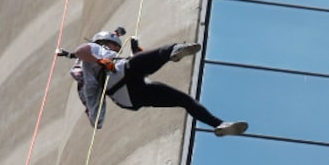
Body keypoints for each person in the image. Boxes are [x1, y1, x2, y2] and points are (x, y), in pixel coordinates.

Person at [57, 29, 247, 136]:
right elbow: (82, 50)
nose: (115, 47)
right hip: (119, 77)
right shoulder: (95, 50)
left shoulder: (112, 55)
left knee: (183, 100)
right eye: (113, 43)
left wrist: (137, 52)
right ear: (104, 42)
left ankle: (219, 125)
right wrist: (100, 61)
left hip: (129, 97)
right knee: (142, 62)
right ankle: (172, 51)